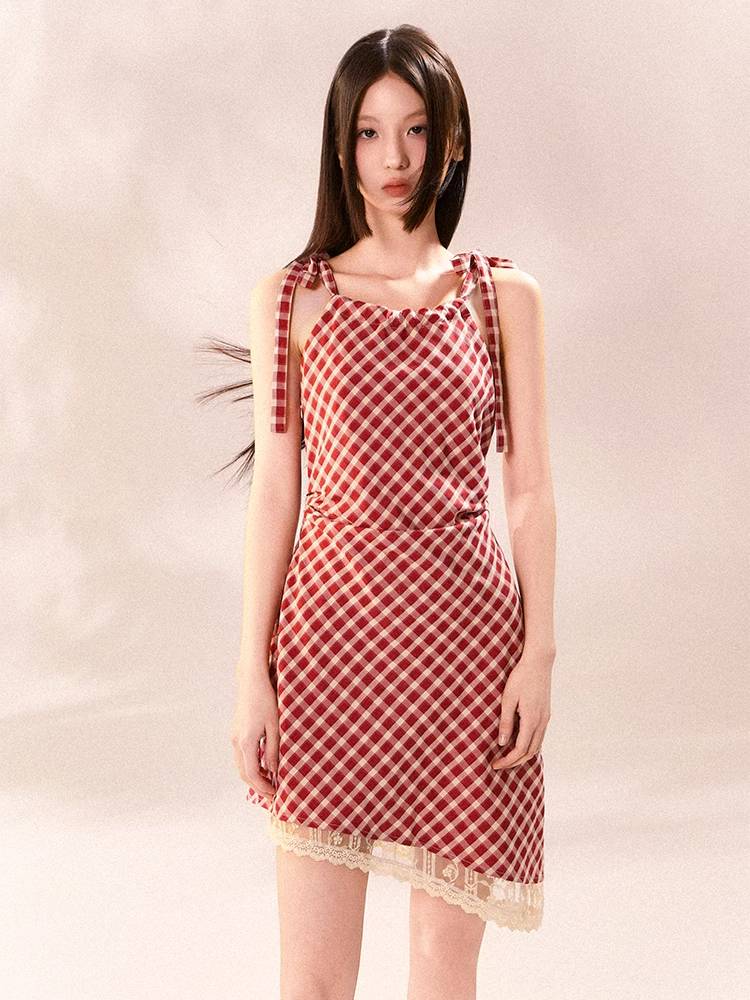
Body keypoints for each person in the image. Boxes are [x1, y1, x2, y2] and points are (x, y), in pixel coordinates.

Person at [213, 23, 556, 1000]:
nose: (394, 157)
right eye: (369, 132)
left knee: (445, 966)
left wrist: (538, 654)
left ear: (453, 139)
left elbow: (531, 487)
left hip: (466, 649)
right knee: (315, 978)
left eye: (414, 129)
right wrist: (252, 673)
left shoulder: (502, 298)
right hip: (329, 643)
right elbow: (277, 490)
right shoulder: (293, 300)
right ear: (342, 145)